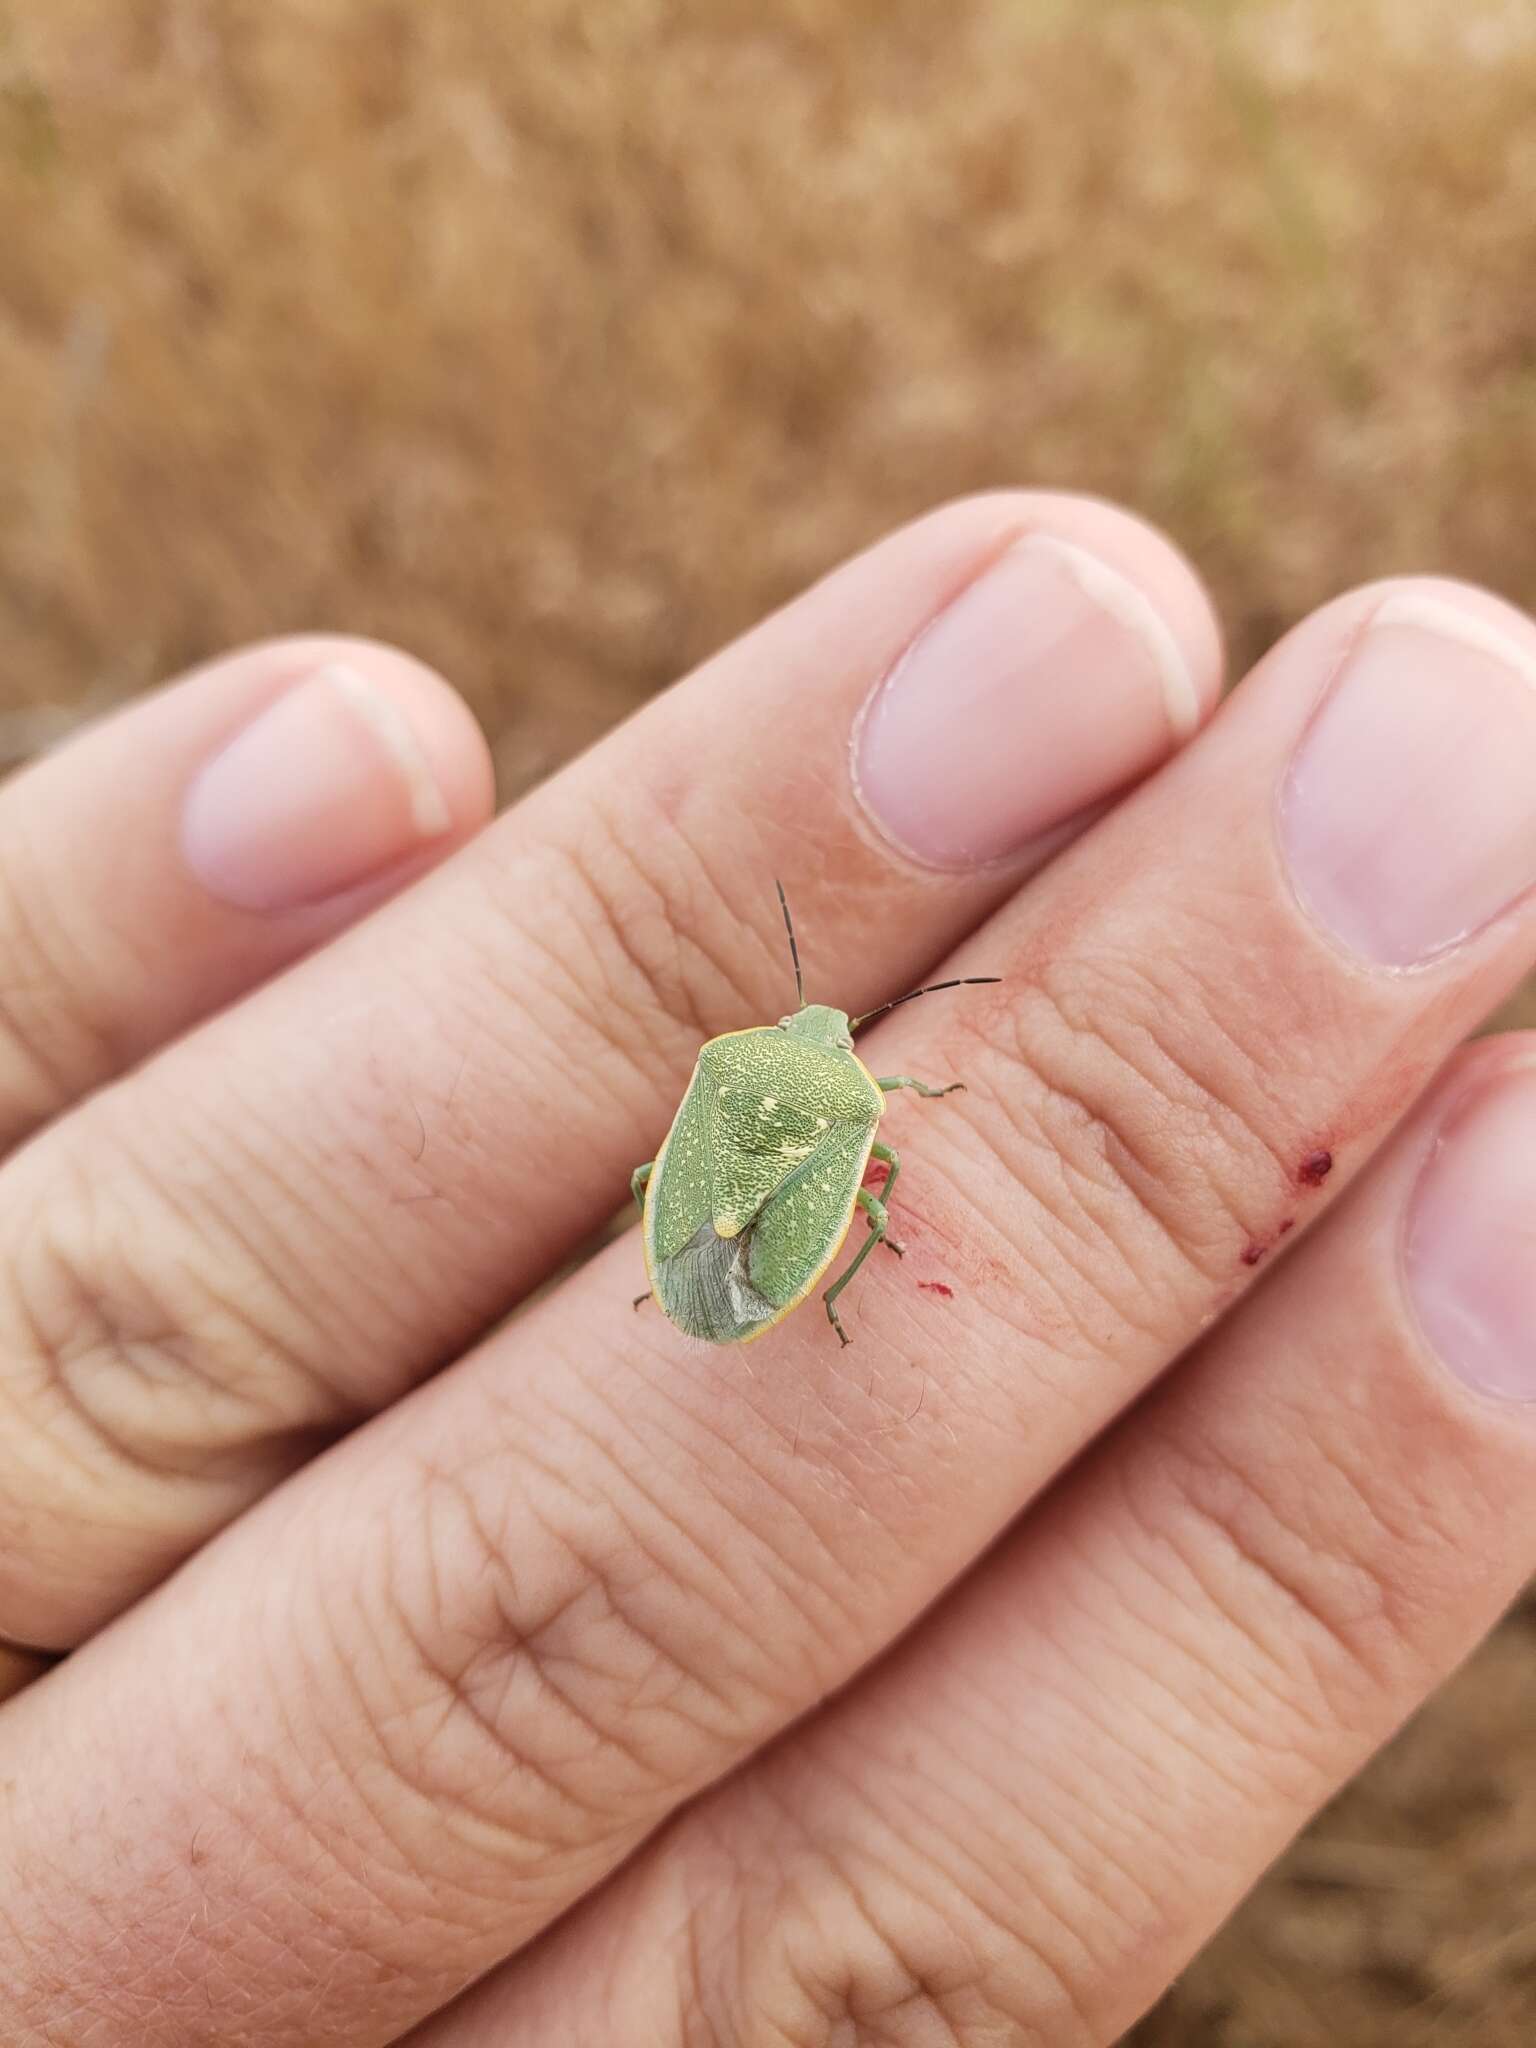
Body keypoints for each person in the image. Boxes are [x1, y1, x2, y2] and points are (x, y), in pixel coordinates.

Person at [1, 491, 1532, 2046]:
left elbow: (680, 1163)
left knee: (702, 1226)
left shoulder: (740, 1073)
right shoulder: (867, 1097)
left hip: (704, 1201)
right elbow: (852, 1164)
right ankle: (784, 1287)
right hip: (775, 1208)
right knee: (837, 1216)